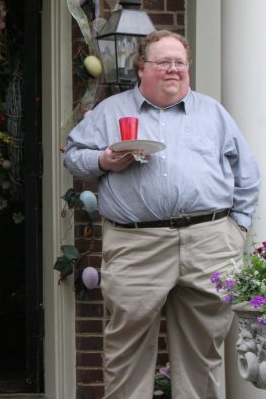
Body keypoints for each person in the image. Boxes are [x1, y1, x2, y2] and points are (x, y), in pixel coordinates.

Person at [62, 30, 260, 399]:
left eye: (180, 62)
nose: (173, 69)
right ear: (141, 68)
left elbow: (246, 174)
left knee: (204, 350)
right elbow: (73, 156)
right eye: (163, 62)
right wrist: (104, 160)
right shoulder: (111, 111)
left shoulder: (213, 112)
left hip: (209, 241)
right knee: (127, 348)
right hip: (137, 242)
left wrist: (238, 228)